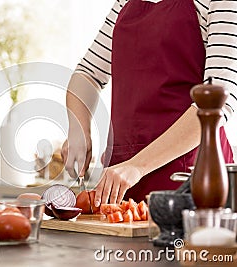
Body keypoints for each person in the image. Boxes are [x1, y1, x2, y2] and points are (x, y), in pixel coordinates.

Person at [62, 0, 236, 206]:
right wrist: (79, 130)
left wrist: (137, 166)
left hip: (190, 179)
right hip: (122, 180)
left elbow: (216, 105)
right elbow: (88, 73)